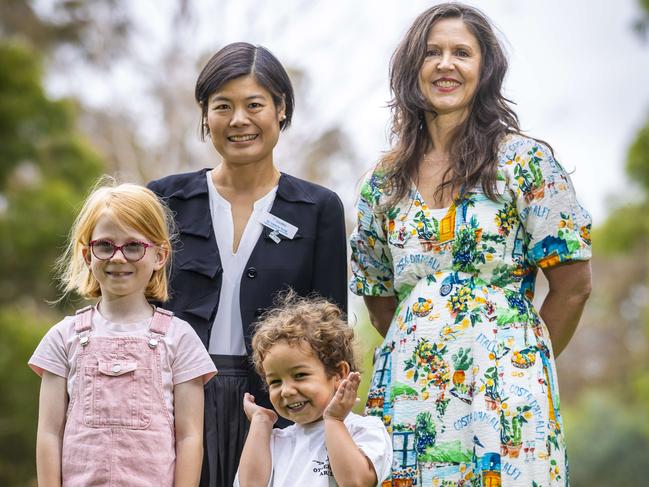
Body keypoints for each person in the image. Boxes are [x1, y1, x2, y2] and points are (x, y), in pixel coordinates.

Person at [350, 3, 592, 485]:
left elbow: (573, 286)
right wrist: (431, 341)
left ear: (484, 70)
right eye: (432, 52)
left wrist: (519, 362)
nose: (445, 64)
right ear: (410, 69)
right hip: (411, 392)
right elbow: (378, 295)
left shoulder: (526, 163)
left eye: (462, 52)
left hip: (507, 390)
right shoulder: (383, 182)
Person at [147, 42, 348, 487]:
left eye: (254, 104)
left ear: (281, 110)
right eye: (223, 106)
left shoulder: (319, 208)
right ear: (205, 116)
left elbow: (333, 331)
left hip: (278, 410)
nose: (239, 120)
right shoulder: (163, 199)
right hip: (173, 406)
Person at [29, 180, 217, 486]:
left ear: (159, 255)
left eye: (133, 246)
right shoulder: (63, 338)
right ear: (87, 255)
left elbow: (189, 437)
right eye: (105, 245)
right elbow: (50, 433)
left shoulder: (180, 339)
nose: (118, 257)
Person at [235, 293, 392, 487]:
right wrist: (261, 422)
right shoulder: (274, 442)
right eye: (275, 381)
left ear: (339, 373)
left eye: (299, 375)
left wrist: (334, 420)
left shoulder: (363, 429)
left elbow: (356, 483)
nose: (286, 391)